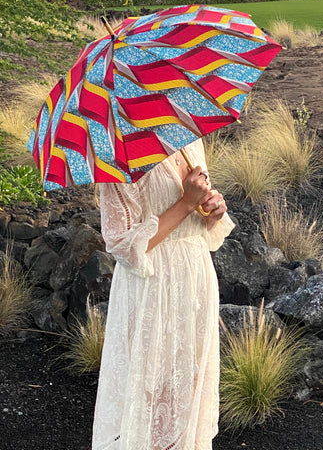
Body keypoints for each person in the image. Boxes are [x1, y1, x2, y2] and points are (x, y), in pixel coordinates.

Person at [92, 137, 235, 450]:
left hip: (195, 279)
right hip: (152, 287)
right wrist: (185, 204)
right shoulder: (114, 152)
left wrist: (212, 211)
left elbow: (201, 228)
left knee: (189, 387)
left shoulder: (187, 135)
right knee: (150, 391)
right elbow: (124, 247)